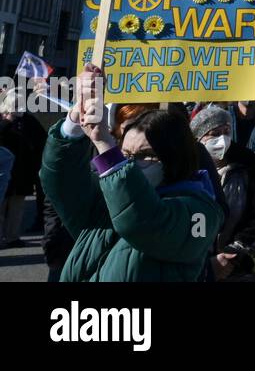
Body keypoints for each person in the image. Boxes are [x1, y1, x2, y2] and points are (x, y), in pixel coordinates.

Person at [40, 64, 222, 281]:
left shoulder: (201, 214)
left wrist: (106, 148)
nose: (130, 164)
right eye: (124, 154)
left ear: (174, 157)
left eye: (145, 154)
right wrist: (76, 117)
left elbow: (143, 222)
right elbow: (61, 181)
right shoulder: (110, 197)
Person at [191, 105, 255, 280]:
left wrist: (235, 250)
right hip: (196, 264)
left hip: (236, 264)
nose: (223, 138)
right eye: (214, 133)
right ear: (199, 138)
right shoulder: (187, 171)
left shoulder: (247, 165)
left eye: (226, 131)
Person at [0, 89, 43, 248]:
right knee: (1, 206)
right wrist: (7, 121)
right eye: (16, 104)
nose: (19, 108)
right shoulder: (3, 121)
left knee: (17, 208)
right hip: (4, 172)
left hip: (23, 173)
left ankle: (12, 237)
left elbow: (40, 141)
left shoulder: (29, 121)